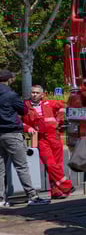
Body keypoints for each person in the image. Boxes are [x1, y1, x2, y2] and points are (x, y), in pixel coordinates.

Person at [0, 70, 50, 207]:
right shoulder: (10, 95)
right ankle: (32, 196)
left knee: (0, 168)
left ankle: (1, 199)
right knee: (21, 166)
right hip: (12, 134)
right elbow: (24, 110)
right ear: (9, 80)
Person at [24, 84, 73, 199]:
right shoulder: (25, 107)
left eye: (37, 93)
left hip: (54, 137)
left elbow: (64, 107)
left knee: (58, 165)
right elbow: (19, 120)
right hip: (41, 139)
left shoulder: (49, 103)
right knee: (50, 164)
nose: (34, 94)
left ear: (42, 95)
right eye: (32, 92)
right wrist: (28, 128)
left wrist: (58, 120)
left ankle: (56, 192)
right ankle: (67, 185)